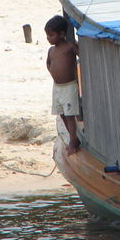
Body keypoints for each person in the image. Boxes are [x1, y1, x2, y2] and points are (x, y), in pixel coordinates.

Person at [45, 14, 80, 154]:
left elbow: (82, 55)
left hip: (69, 86)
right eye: (47, 35)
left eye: (51, 35)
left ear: (61, 34)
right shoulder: (51, 50)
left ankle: (73, 141)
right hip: (57, 87)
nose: (48, 38)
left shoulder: (70, 46)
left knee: (70, 115)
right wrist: (53, 72)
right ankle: (73, 138)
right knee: (62, 114)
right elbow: (48, 62)